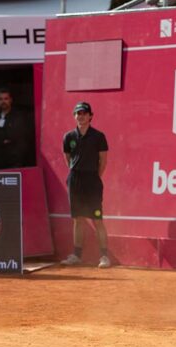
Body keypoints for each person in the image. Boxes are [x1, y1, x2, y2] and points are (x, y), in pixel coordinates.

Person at [60, 102, 112, 269]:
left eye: (84, 113)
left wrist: (94, 177)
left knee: (97, 219)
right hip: (75, 181)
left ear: (90, 116)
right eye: (77, 113)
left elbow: (103, 161)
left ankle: (104, 256)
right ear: (74, 116)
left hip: (92, 182)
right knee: (78, 219)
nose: (80, 116)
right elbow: (67, 159)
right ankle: (76, 255)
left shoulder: (98, 136)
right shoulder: (68, 137)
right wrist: (76, 174)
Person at [0, 87, 31, 169]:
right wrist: (2, 140)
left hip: (14, 162)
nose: (3, 101)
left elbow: (14, 135)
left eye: (6, 99)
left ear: (10, 100)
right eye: (0, 99)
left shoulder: (18, 116)